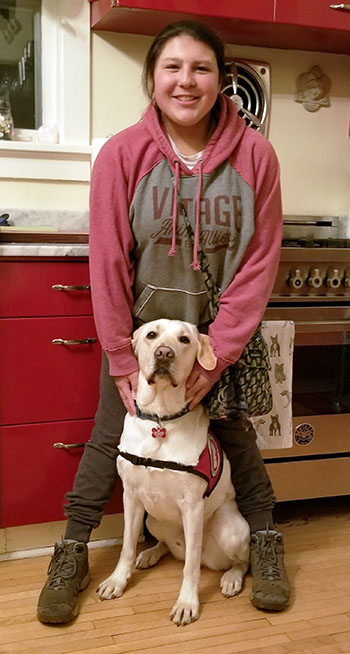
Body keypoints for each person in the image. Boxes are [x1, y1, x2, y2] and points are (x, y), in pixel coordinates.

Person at [37, 19, 290, 624]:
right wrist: (124, 355)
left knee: (234, 438)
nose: (186, 81)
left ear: (222, 80)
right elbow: (107, 260)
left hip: (215, 335)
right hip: (146, 339)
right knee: (110, 438)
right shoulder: (122, 154)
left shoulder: (256, 155)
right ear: (151, 78)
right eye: (172, 67)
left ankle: (264, 544)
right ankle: (71, 550)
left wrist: (219, 349)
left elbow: (259, 260)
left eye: (201, 68)